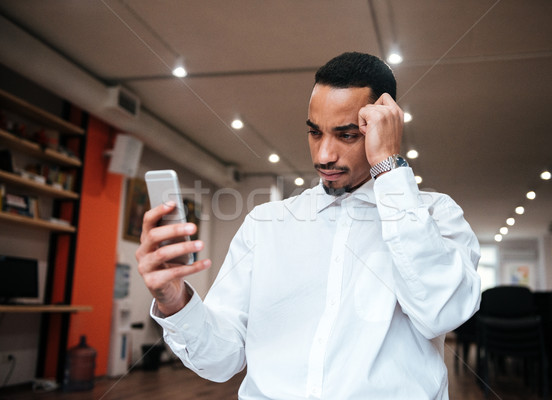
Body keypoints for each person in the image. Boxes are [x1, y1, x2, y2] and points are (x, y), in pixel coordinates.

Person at [136, 52, 481, 399]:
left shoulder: (436, 215)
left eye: (347, 135)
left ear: (383, 124)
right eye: (315, 133)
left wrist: (388, 167)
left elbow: (441, 313)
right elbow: (221, 361)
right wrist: (174, 301)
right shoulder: (265, 224)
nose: (323, 155)